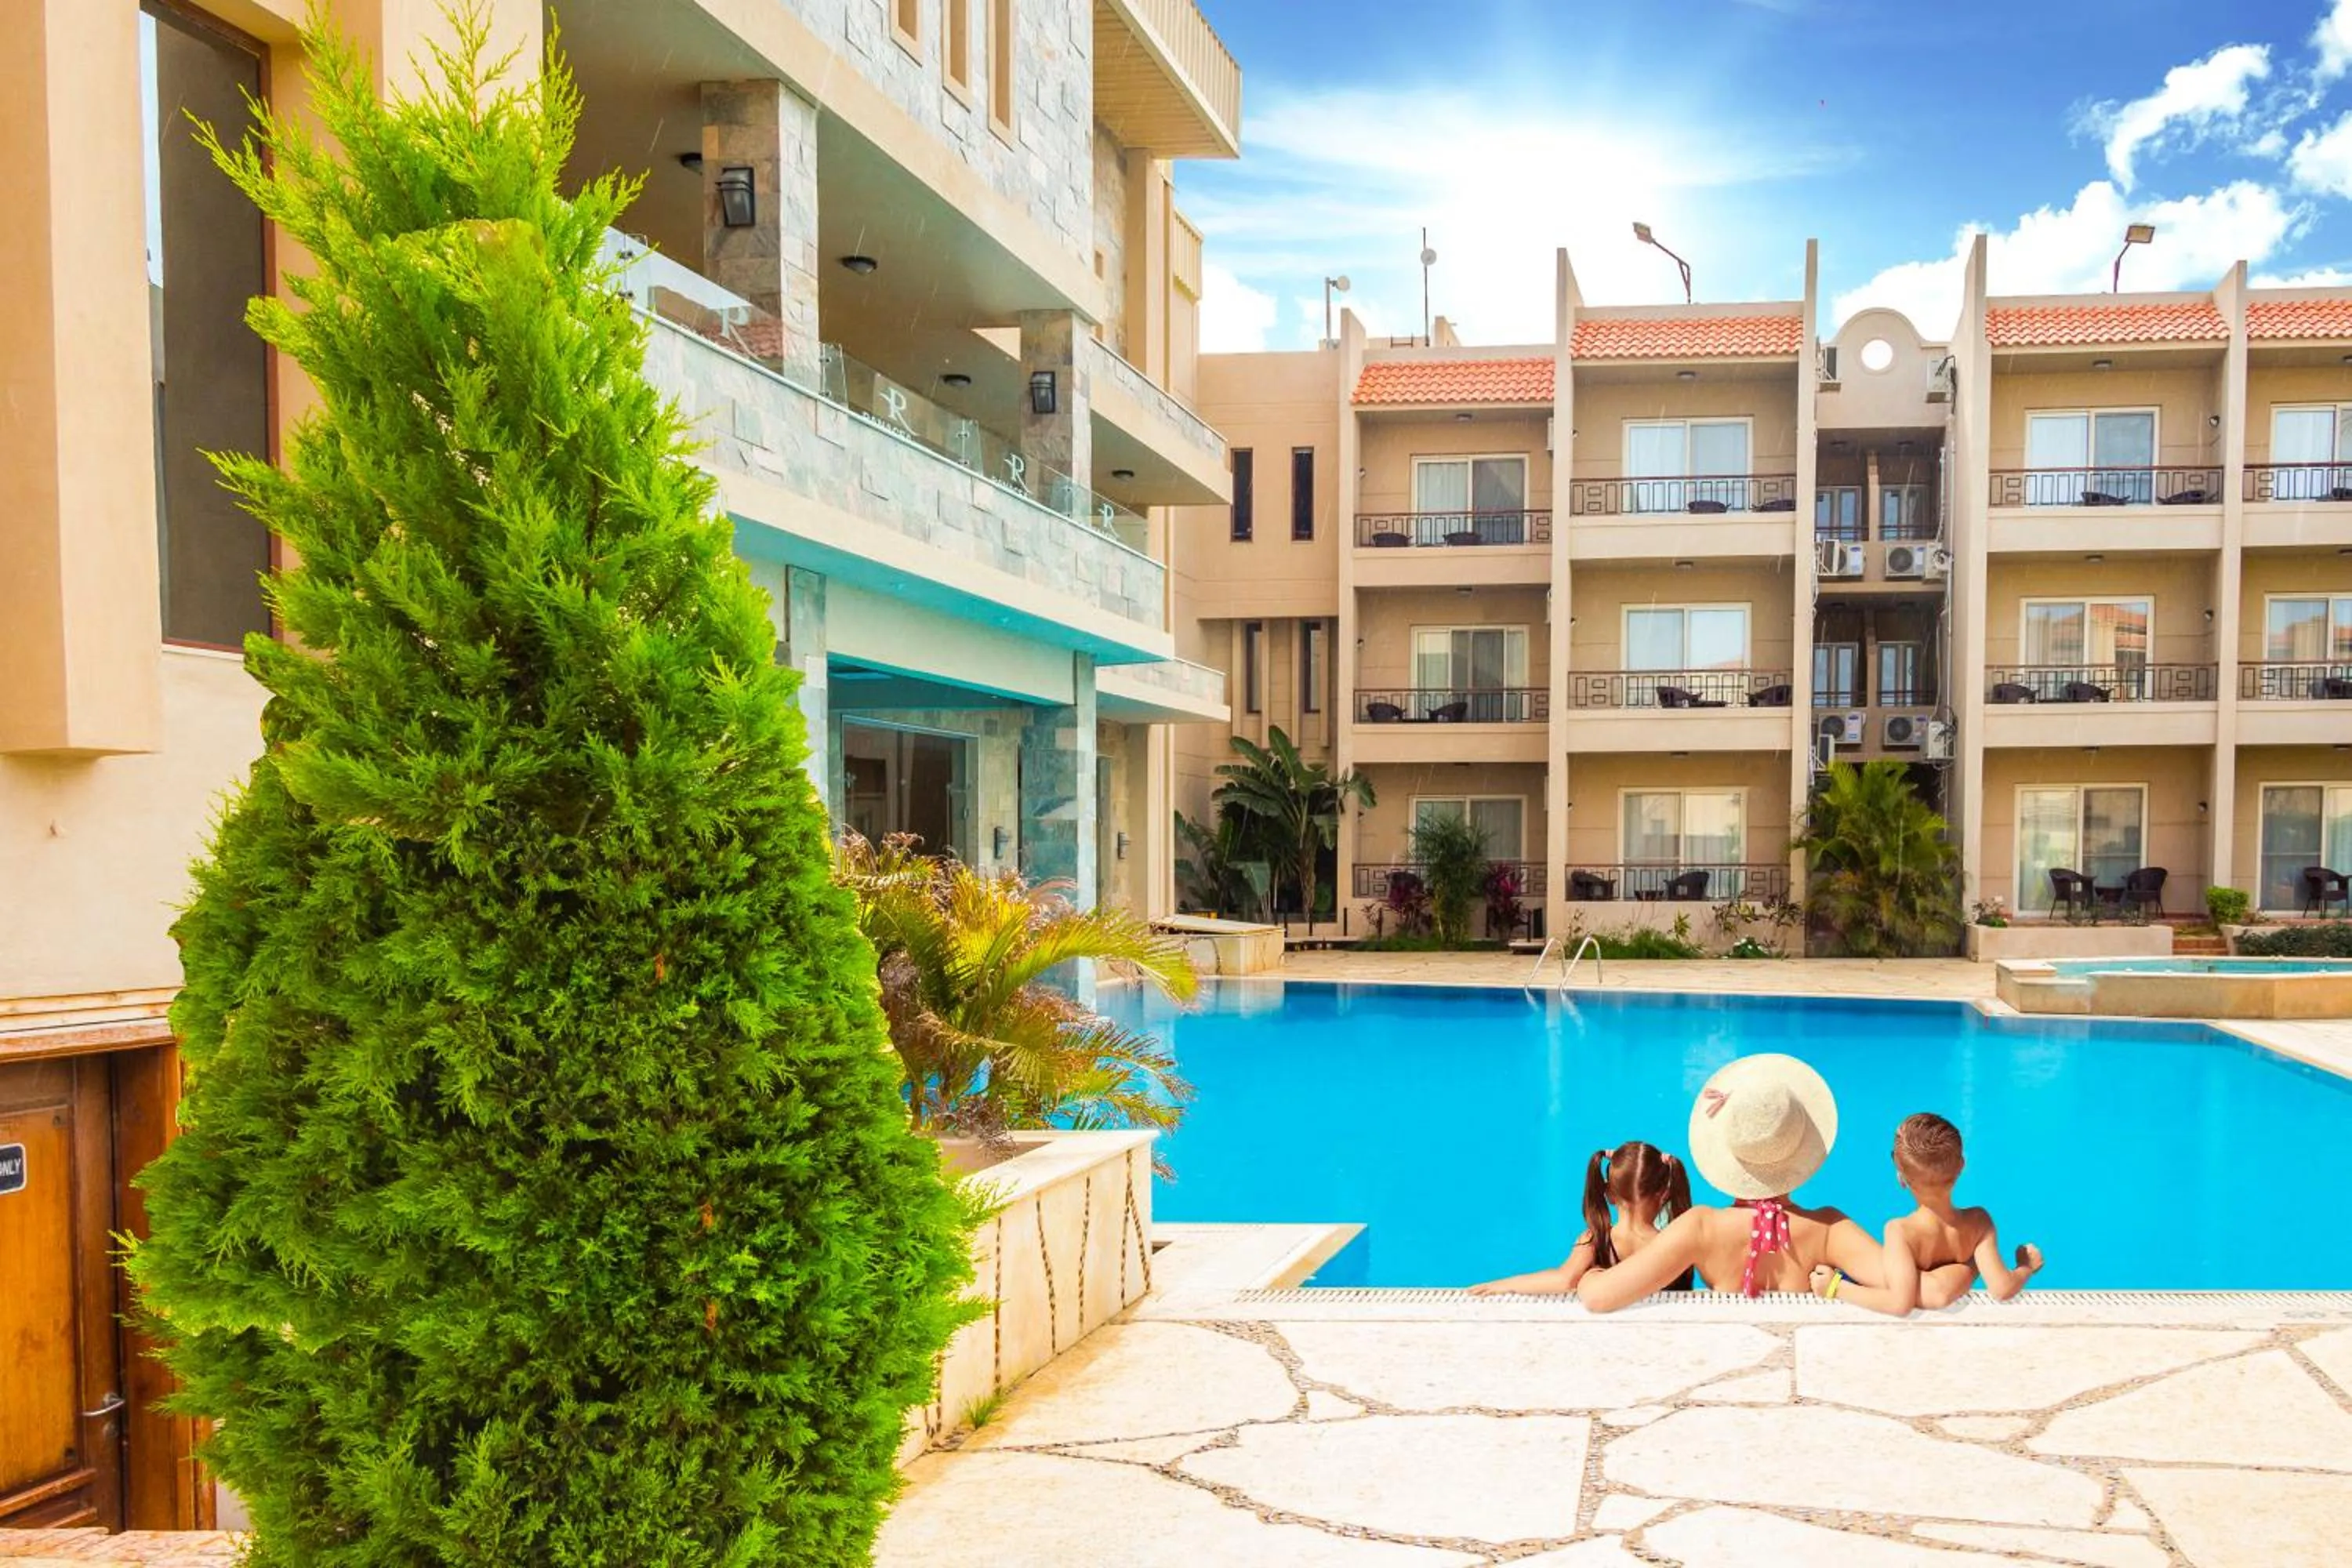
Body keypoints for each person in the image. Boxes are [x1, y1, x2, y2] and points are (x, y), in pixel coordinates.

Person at [1575, 1054, 1881, 1312]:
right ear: (1800, 1151)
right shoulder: (1829, 1229)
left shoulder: (1701, 1227)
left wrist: (1589, 1275)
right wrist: (1838, 1289)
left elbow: (1599, 1298)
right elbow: (1905, 1286)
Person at [1807, 1112, 2044, 1315]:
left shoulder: (1900, 1230)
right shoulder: (1979, 1221)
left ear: (1901, 1177)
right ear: (1961, 1166)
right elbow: (2002, 1289)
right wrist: (2025, 1267)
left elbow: (1900, 1303)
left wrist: (1836, 1288)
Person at [1469, 1141, 1694, 1295]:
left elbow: (1564, 1280)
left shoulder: (1597, 1240)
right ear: (1665, 1192)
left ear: (1609, 1195)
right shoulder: (1675, 1242)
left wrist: (1507, 1284)